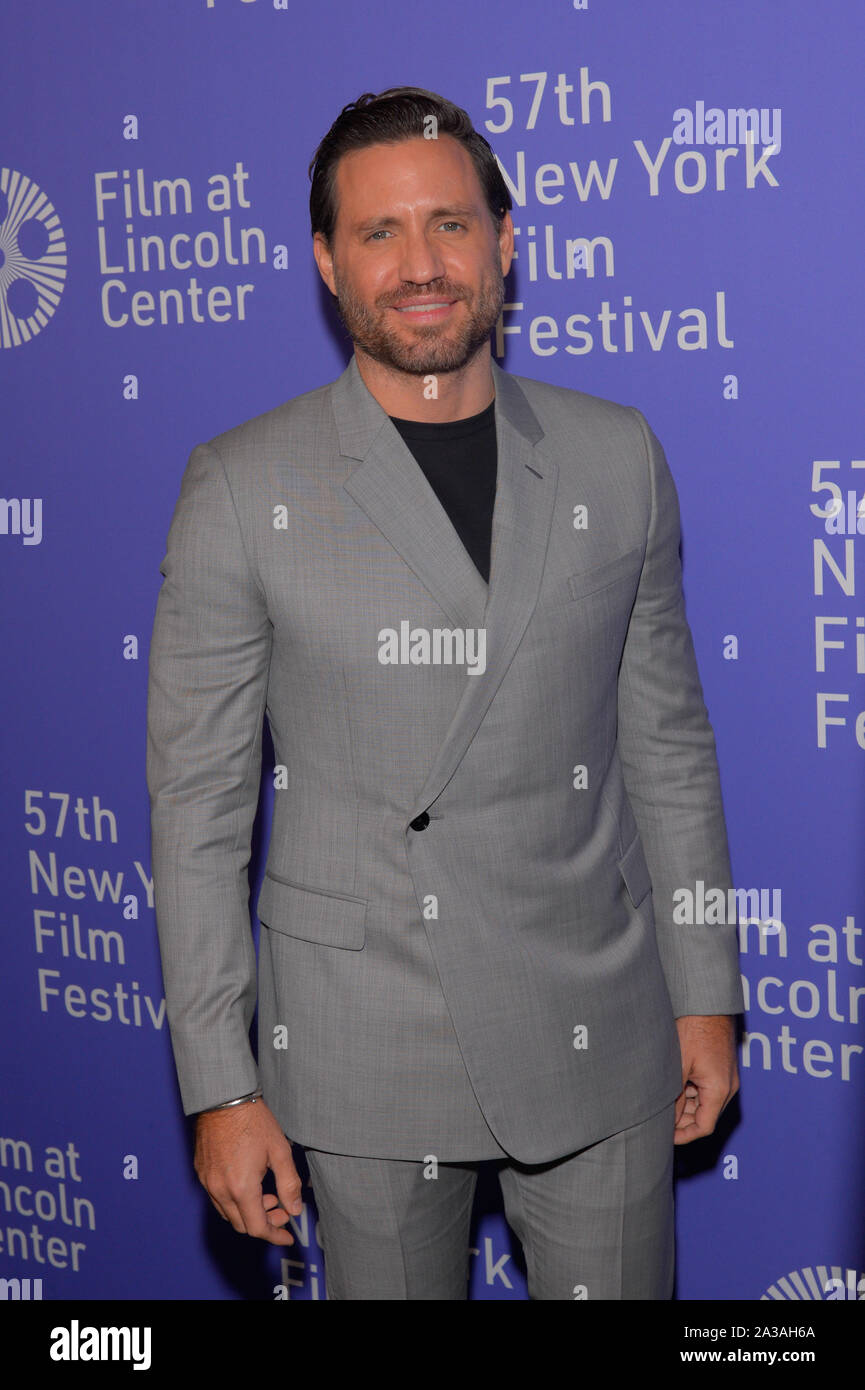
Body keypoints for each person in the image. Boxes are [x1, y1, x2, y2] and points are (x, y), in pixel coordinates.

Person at [146, 86, 743, 1301]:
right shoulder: (241, 486)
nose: (419, 266)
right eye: (377, 233)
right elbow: (198, 814)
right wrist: (221, 1083)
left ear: (505, 241)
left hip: (598, 1017)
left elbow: (665, 746)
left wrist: (707, 994)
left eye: (449, 225)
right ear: (326, 261)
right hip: (364, 1038)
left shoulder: (613, 456)